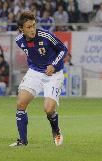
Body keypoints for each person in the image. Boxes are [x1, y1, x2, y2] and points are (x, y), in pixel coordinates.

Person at [9, 11, 68, 147]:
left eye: (33, 26)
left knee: (48, 109)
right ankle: (23, 141)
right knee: (21, 104)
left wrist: (53, 65)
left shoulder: (45, 36)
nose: (32, 29)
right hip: (35, 72)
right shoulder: (19, 41)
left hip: (53, 74)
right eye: (28, 27)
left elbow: (63, 49)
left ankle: (56, 130)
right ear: (21, 29)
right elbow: (32, 53)